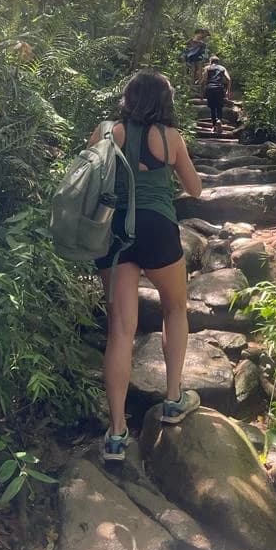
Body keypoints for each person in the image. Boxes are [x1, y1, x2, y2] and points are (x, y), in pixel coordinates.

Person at [89, 69, 203, 463]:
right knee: (174, 308)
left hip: (114, 233)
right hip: (157, 228)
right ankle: (173, 400)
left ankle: (117, 434)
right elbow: (196, 189)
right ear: (164, 101)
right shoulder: (170, 138)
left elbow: (86, 180)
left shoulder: (107, 132)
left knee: (121, 329)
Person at [200, 55, 231, 136]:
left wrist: (202, 92)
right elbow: (228, 79)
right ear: (218, 62)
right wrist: (228, 91)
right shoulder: (222, 68)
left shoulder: (208, 68)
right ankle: (219, 120)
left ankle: (214, 126)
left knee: (212, 108)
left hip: (210, 88)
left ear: (211, 61)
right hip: (219, 88)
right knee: (219, 106)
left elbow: (204, 80)